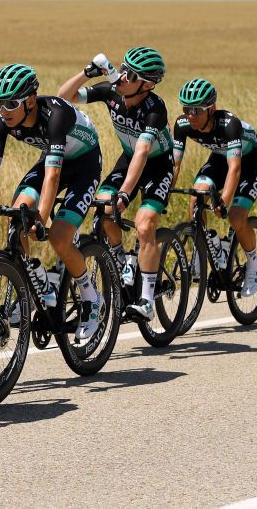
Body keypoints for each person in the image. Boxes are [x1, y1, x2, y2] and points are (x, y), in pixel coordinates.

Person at [0, 63, 104, 341]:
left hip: (84, 165)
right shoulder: (2, 119)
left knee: (60, 237)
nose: (4, 110)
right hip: (52, 161)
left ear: (29, 100)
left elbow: (53, 176)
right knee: (18, 215)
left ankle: (91, 299)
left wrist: (41, 218)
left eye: (11, 103)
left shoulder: (55, 114)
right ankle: (34, 286)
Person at [57, 47, 173, 320]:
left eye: (130, 75)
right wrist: (87, 73)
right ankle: (123, 263)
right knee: (104, 212)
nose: (122, 77)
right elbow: (64, 98)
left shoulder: (155, 108)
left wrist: (124, 193)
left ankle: (146, 299)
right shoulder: (112, 93)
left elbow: (144, 152)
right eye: (122, 68)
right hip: (128, 158)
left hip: (157, 165)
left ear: (147, 84)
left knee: (145, 225)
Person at [171, 78, 257, 296]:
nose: (190, 115)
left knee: (235, 217)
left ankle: (253, 265)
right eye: (186, 109)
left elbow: (235, 169)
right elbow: (175, 164)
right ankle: (203, 250)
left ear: (211, 109)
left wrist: (223, 201)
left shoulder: (229, 125)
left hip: (247, 164)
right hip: (219, 160)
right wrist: (165, 192)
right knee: (197, 196)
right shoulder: (182, 125)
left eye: (196, 110)